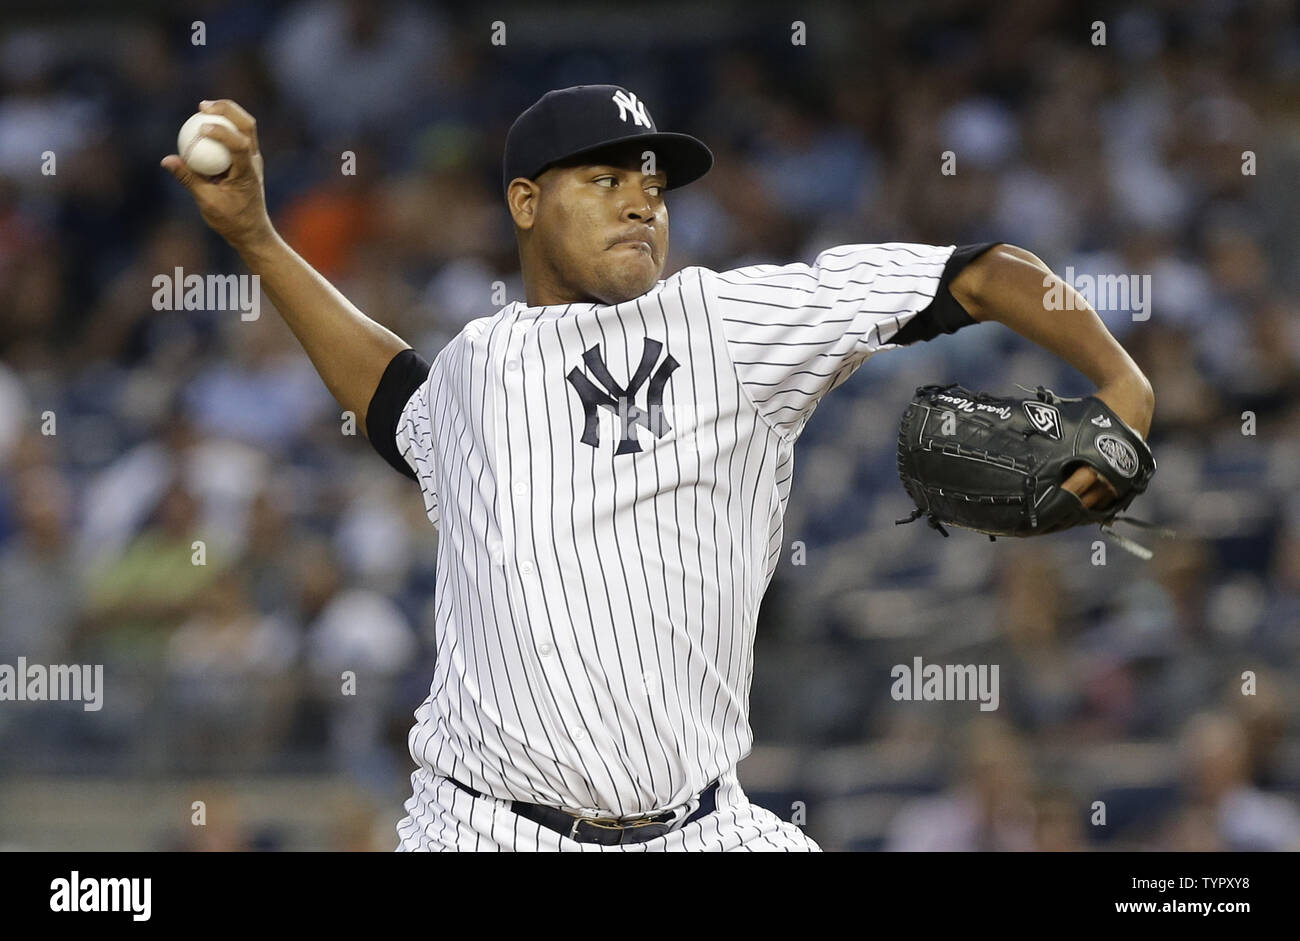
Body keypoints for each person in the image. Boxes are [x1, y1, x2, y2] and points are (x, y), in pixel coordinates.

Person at [163, 84, 1154, 851]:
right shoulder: (474, 363)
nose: (641, 198)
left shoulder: (732, 322)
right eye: (604, 178)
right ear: (524, 200)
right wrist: (253, 236)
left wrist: (1119, 379)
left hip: (704, 824)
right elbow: (390, 397)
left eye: (651, 181)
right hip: (483, 826)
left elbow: (974, 271)